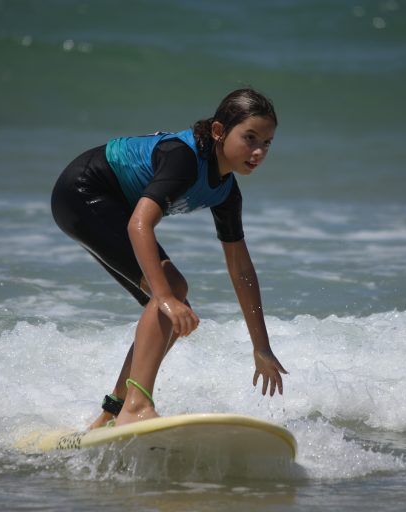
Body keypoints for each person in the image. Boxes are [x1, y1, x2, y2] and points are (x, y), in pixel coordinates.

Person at [51, 88, 288, 428]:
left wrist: (261, 347)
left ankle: (113, 412)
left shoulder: (226, 193)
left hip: (107, 205)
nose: (258, 151)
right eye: (249, 138)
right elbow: (139, 224)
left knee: (172, 302)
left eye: (266, 143)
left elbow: (242, 270)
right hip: (82, 192)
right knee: (172, 291)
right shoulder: (184, 159)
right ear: (219, 131)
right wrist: (163, 297)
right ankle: (136, 405)